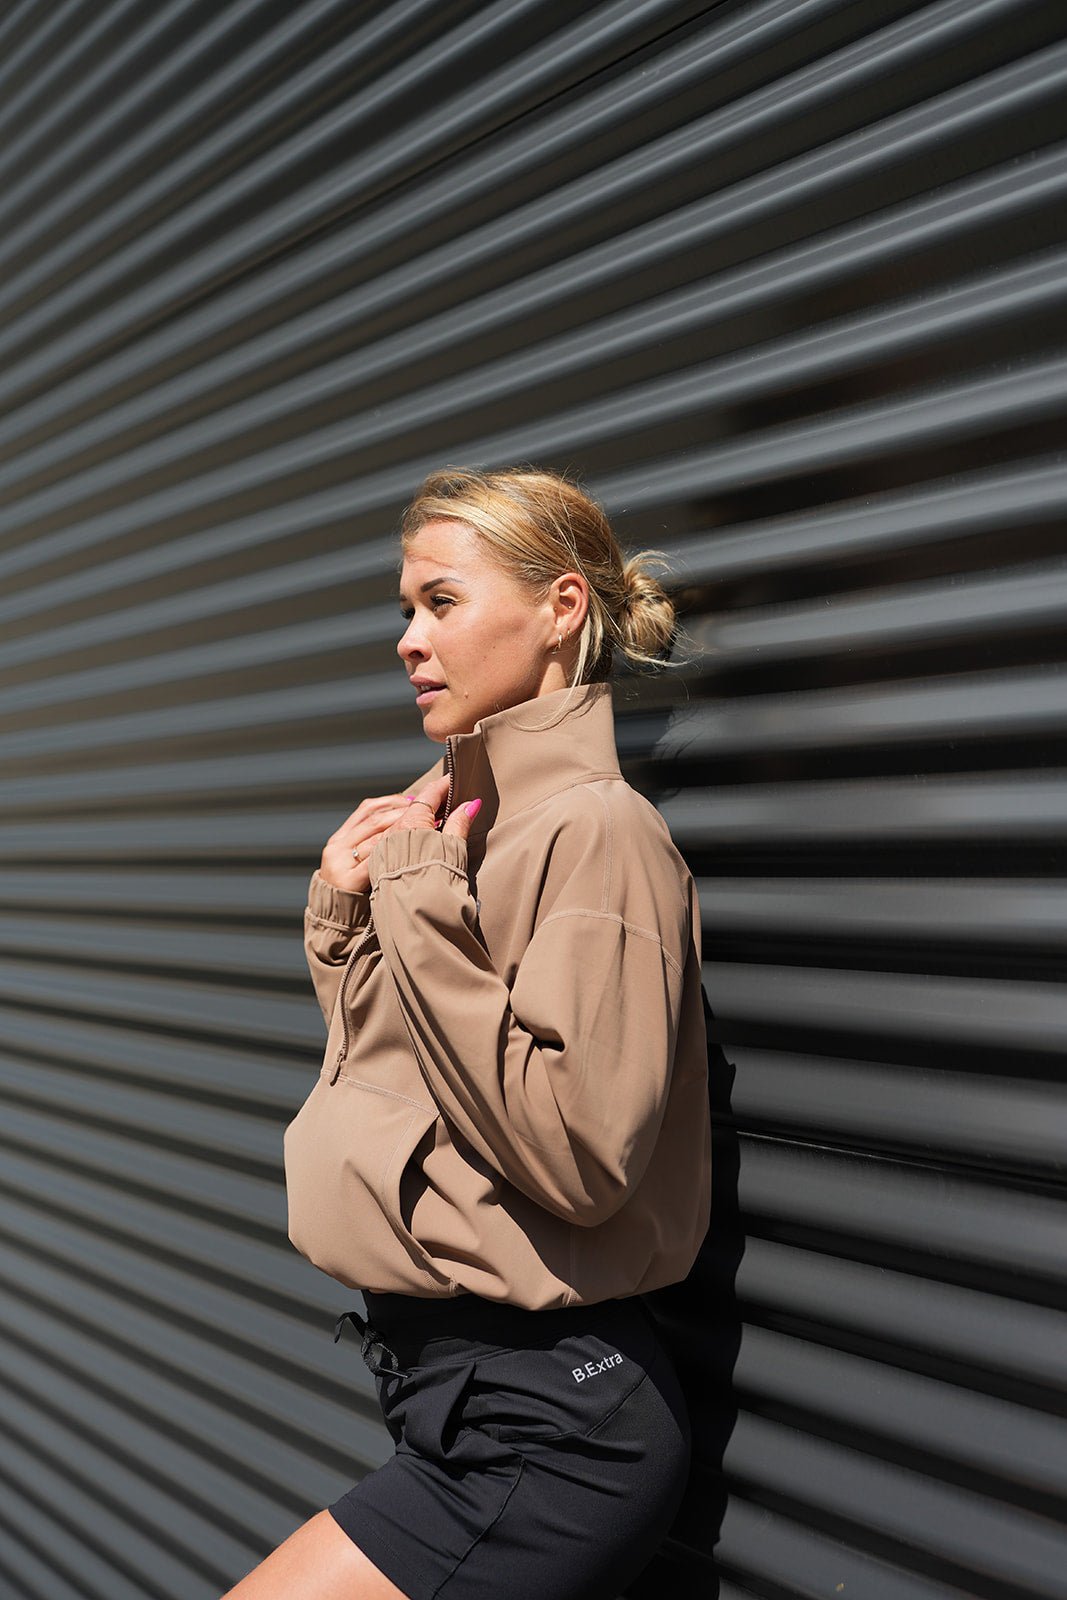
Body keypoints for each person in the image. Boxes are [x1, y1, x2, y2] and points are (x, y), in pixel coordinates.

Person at [222, 467, 711, 1600]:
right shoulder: (468, 827)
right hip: (454, 1393)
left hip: (548, 1423)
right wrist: (346, 923)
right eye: (406, 609)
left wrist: (420, 906)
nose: (408, 639)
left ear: (561, 608)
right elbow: (423, 1089)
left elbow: (576, 1154)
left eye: (440, 602)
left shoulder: (600, 832)